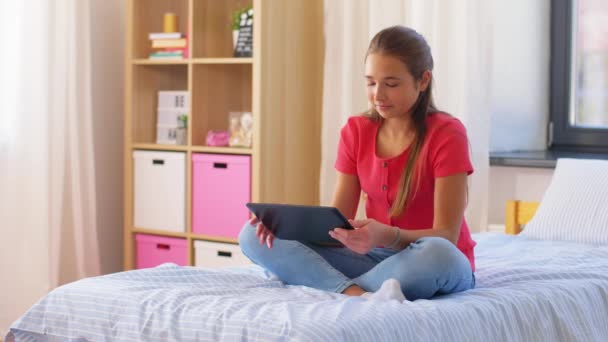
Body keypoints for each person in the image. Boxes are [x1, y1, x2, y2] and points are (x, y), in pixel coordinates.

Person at [238, 25, 476, 302]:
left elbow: (447, 234)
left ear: (423, 81)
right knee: (252, 234)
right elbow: (336, 225)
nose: (378, 95)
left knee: (438, 254)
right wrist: (284, 227)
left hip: (431, 260)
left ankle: (328, 284)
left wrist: (385, 235)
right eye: (371, 82)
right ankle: (354, 293)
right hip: (373, 259)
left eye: (391, 83)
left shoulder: (447, 133)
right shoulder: (356, 130)